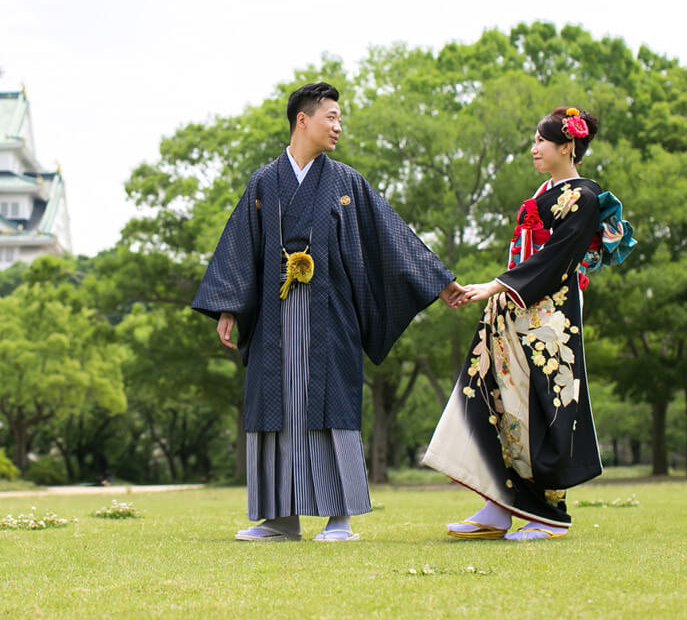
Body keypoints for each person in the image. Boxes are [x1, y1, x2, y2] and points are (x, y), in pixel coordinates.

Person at [192, 82, 465, 542]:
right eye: (331, 117)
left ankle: (339, 518)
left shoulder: (345, 183)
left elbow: (390, 235)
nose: (338, 126)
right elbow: (242, 248)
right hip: (275, 316)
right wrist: (229, 307)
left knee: (332, 406)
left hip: (331, 313)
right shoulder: (263, 182)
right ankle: (280, 519)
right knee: (275, 410)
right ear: (304, 120)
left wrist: (437, 281)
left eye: (340, 118)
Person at [422, 106, 635, 541]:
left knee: (544, 406)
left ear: (567, 146)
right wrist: (500, 294)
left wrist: (496, 285)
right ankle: (497, 505)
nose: (534, 148)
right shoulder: (547, 191)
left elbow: (555, 259)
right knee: (493, 396)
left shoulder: (585, 197)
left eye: (541, 140)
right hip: (514, 309)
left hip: (548, 319)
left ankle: (547, 516)